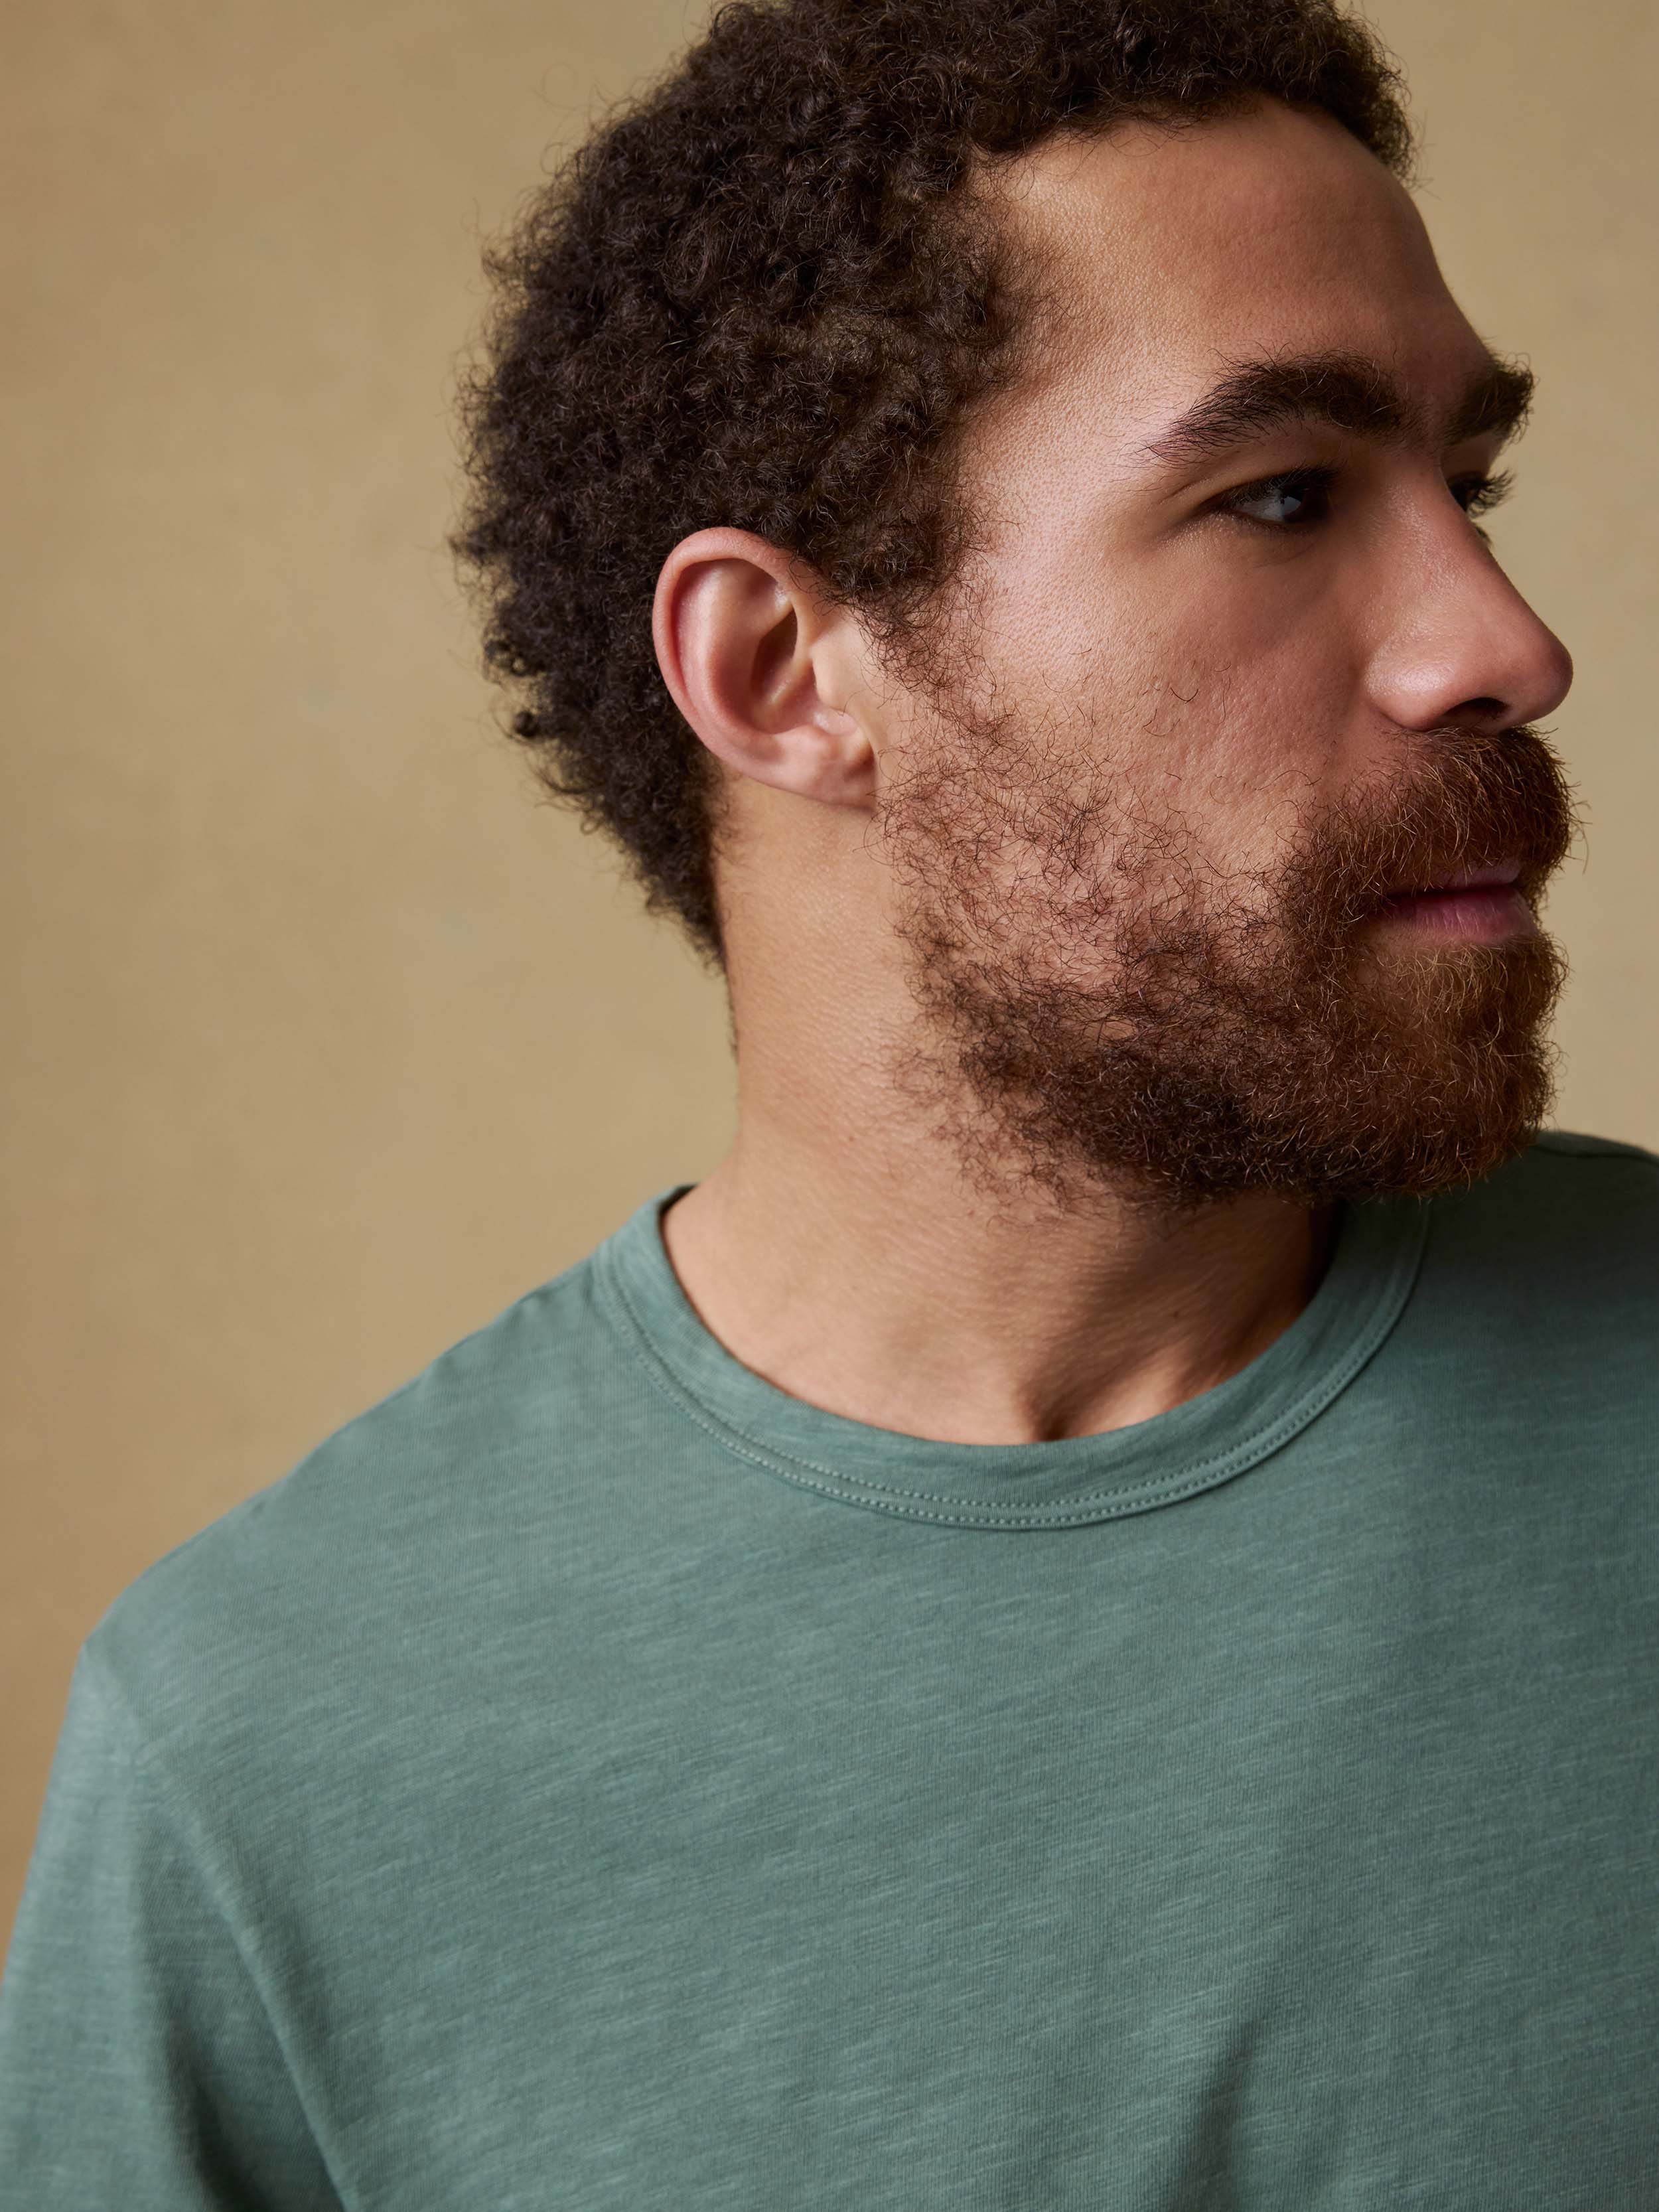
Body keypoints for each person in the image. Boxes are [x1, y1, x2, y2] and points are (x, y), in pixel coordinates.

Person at [2, 0, 1654, 2201]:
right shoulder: (266, 1751)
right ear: (785, 673)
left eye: (1470, 485)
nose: (1500, 643)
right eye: (1280, 495)